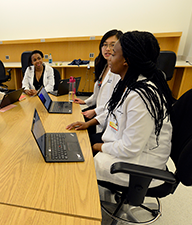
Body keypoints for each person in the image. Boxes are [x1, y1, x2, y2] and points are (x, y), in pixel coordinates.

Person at [67, 31, 175, 187]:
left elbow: (131, 148)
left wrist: (99, 147)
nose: (109, 57)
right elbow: (114, 113)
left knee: (79, 166)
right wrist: (88, 124)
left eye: (114, 53)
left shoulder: (141, 96)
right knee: (78, 144)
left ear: (126, 60)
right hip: (124, 146)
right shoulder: (129, 83)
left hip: (139, 164)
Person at [73, 29, 123, 134]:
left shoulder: (118, 72)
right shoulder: (104, 65)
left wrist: (95, 111)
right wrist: (86, 101)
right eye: (104, 45)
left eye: (112, 45)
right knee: (75, 117)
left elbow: (114, 103)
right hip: (100, 111)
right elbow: (99, 92)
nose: (107, 49)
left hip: (109, 118)